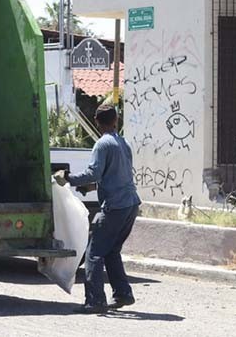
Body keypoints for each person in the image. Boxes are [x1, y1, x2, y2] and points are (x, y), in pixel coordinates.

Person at [54, 104, 141, 314]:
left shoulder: (102, 144)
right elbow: (116, 175)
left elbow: (93, 173)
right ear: (116, 121)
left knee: (93, 253)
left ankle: (95, 301)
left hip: (115, 206)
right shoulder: (123, 143)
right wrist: (91, 187)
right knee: (112, 251)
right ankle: (123, 293)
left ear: (96, 121)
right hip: (131, 204)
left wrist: (68, 178)